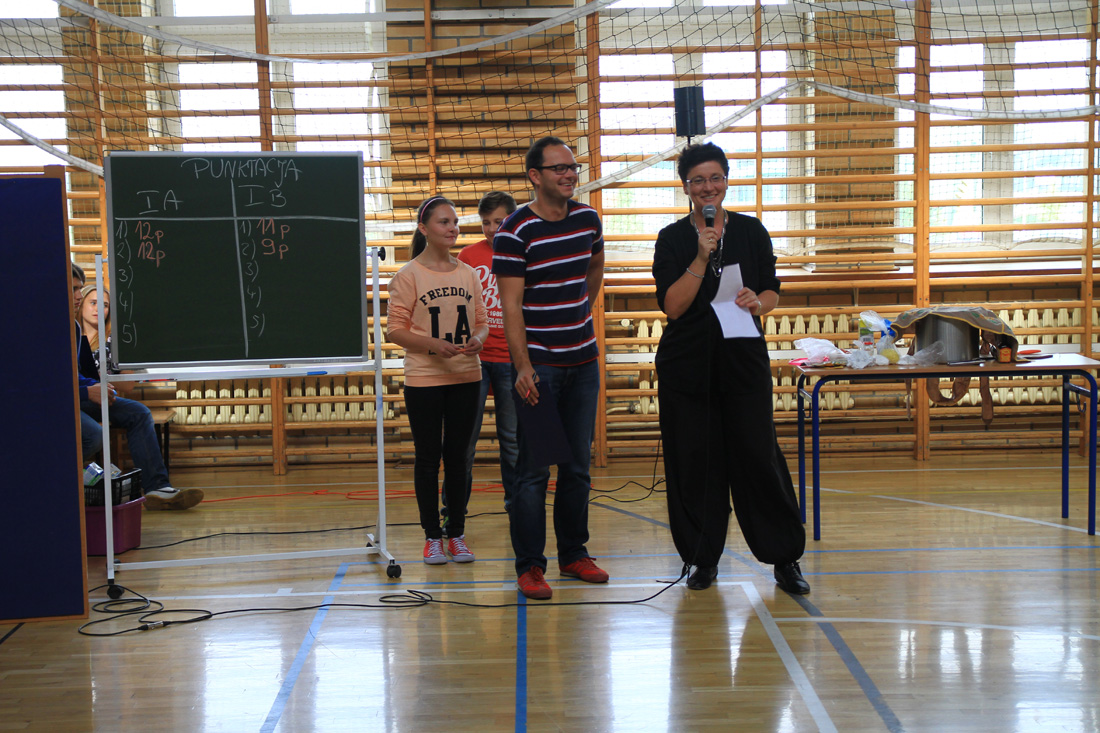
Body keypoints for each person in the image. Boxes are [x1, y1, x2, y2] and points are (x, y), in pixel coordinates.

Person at [651, 142, 809, 594]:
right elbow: (673, 306)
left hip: (742, 363)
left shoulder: (751, 230)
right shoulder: (672, 238)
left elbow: (771, 290)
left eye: (715, 178)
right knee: (695, 462)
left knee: (758, 458)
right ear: (686, 187)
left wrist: (760, 301)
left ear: (726, 180)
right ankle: (702, 559)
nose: (708, 187)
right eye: (698, 180)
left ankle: (784, 558)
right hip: (687, 367)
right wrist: (701, 257)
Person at [492, 136, 609, 600]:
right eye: (558, 168)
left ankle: (574, 554)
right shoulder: (515, 231)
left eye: (572, 167)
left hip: (583, 363)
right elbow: (510, 305)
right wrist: (523, 367)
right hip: (539, 368)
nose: (569, 174)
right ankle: (530, 566)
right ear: (534, 176)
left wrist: (578, 311)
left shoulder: (587, 219)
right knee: (535, 471)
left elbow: (595, 267)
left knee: (577, 467)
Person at [387, 196, 489, 565]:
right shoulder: (408, 275)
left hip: (466, 375)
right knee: (429, 459)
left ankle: (456, 533)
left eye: (455, 222)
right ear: (424, 229)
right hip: (425, 378)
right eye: (444, 222)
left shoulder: (468, 274)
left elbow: (482, 321)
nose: (453, 228)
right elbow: (395, 330)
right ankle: (432, 536)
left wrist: (478, 339)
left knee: (459, 459)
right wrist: (432, 344)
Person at [71, 264, 203, 510]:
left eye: (105, 304)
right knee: (94, 434)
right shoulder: (68, 329)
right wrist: (89, 389)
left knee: (139, 412)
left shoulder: (104, 337)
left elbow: (117, 383)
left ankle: (157, 488)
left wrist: (99, 387)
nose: (98, 308)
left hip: (90, 394)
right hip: (76, 396)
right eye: (91, 301)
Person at [440, 191, 520, 530]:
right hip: (473, 360)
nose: (491, 229)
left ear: (511, 220)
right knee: (463, 442)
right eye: (486, 222)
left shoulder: (523, 251)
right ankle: (453, 512)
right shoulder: (469, 256)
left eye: (498, 221)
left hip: (512, 359)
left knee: (512, 440)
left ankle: (518, 509)